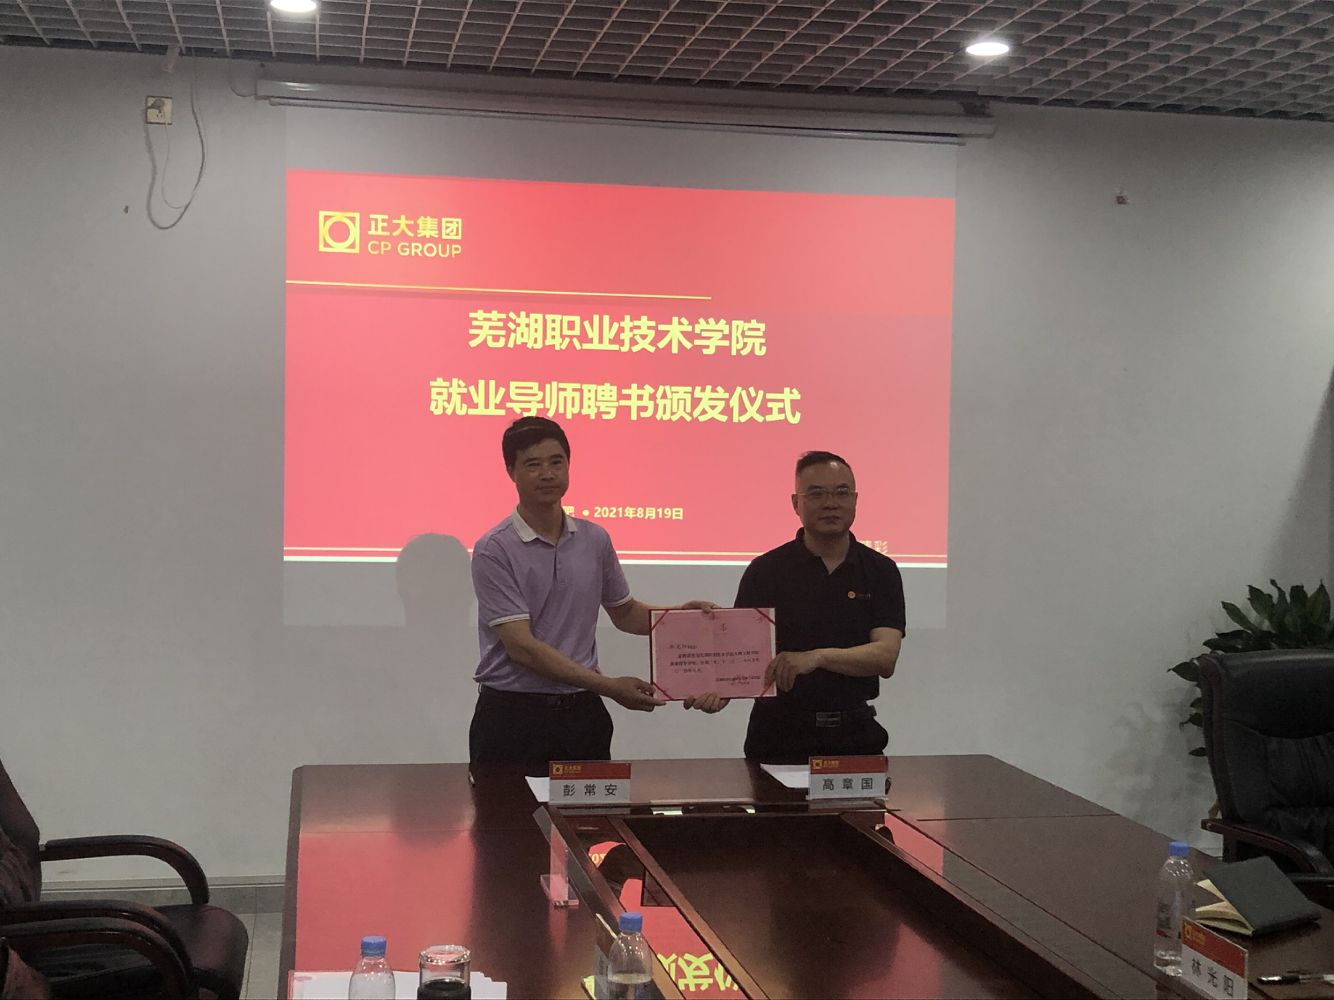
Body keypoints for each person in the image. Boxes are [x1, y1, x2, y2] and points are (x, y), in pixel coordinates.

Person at [469, 416, 714, 766]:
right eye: (533, 465)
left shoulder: (594, 539)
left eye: (557, 462)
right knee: (507, 806)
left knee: (590, 803)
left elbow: (625, 613)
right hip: (513, 715)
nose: (547, 474)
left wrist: (679, 618)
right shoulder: (495, 549)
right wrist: (609, 686)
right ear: (511, 471)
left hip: (582, 714)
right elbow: (522, 647)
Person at [688, 451, 904, 762]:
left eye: (841, 493)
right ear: (795, 503)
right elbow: (739, 656)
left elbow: (885, 657)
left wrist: (816, 657)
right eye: (816, 494)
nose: (830, 503)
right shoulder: (765, 571)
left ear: (855, 500)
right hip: (778, 737)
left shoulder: (880, 570)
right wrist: (719, 691)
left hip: (855, 736)